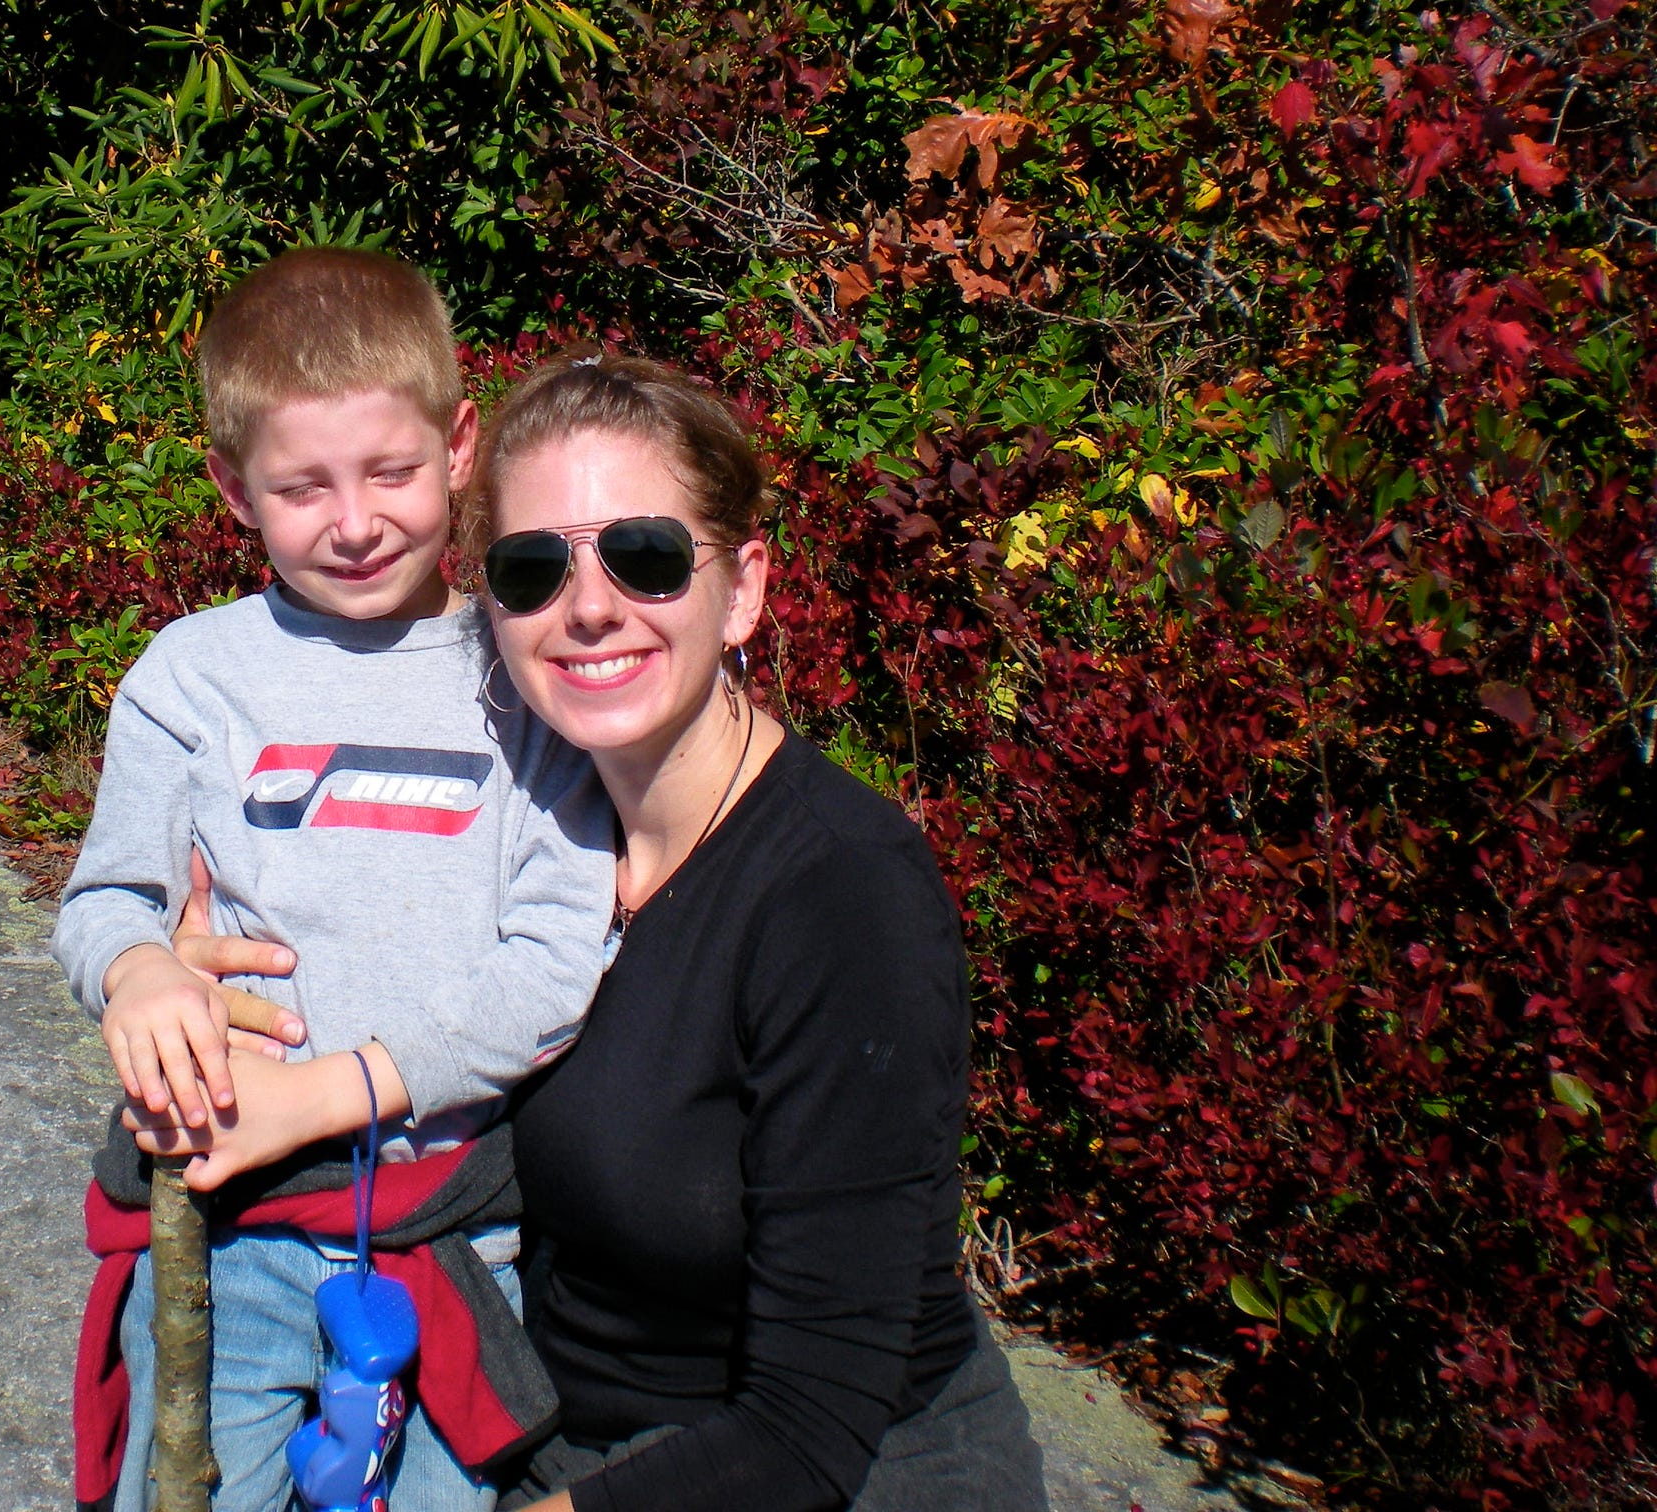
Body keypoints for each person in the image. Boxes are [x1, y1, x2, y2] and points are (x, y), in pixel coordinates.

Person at [174, 352, 1049, 1512]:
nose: (588, 608)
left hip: (809, 1477)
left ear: (741, 590)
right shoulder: (520, 841)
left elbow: (808, 1427)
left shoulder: (843, 899)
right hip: (553, 1438)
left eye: (643, 556)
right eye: (533, 570)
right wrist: (192, 988)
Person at [54, 250, 615, 1512]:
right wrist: (137, 968)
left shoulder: (523, 673)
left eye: (392, 472)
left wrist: (317, 1096)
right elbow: (105, 900)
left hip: (455, 1235)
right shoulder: (192, 676)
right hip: (232, 1220)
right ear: (231, 489)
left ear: (461, 445)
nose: (354, 522)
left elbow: (554, 964)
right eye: (301, 487)